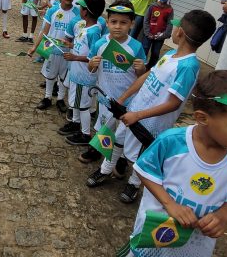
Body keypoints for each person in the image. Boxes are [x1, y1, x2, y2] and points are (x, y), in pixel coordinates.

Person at [119, 70, 227, 257]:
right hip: (155, 228)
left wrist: (223, 216)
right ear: (202, 118)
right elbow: (144, 170)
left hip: (194, 242)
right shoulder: (171, 142)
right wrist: (170, 204)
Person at [88, 10, 216, 204]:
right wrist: (124, 98)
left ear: (179, 32)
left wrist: (138, 115)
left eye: (174, 26)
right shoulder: (171, 54)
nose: (171, 29)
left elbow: (174, 103)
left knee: (142, 156)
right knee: (117, 141)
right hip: (133, 111)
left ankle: (134, 184)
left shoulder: (188, 67)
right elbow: (147, 76)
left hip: (150, 122)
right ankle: (105, 170)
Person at [79, 0, 147, 164]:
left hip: (128, 99)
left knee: (123, 132)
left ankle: (120, 159)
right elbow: (91, 70)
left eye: (123, 23)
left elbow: (141, 75)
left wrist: (141, 68)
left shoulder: (136, 46)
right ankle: (97, 151)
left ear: (131, 24)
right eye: (114, 22)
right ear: (107, 22)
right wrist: (91, 64)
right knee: (103, 128)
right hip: (106, 98)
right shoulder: (100, 43)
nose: (118, 26)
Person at [59, 0, 106, 146]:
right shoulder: (85, 27)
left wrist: (74, 58)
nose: (79, 8)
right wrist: (70, 46)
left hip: (84, 76)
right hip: (77, 73)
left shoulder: (94, 32)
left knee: (83, 106)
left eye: (81, 7)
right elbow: (82, 47)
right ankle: (75, 123)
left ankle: (85, 134)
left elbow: (93, 57)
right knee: (76, 102)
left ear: (85, 11)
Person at [28, 0, 81, 112]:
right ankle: (47, 98)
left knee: (63, 76)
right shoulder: (53, 10)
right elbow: (44, 31)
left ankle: (60, 99)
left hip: (67, 52)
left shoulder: (77, 14)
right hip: (51, 49)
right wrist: (35, 47)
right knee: (50, 74)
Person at [142, 0, 174, 69]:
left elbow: (169, 24)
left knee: (155, 53)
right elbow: (146, 20)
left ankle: (150, 69)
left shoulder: (170, 10)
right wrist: (147, 33)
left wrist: (163, 35)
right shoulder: (152, 7)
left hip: (160, 37)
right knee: (144, 50)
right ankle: (141, 67)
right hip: (148, 35)